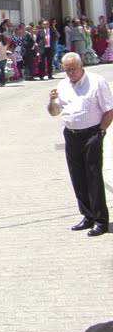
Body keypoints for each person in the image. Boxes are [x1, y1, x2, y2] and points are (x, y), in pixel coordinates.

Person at [47, 52, 113, 237]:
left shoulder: (96, 81)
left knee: (93, 176)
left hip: (92, 133)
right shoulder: (63, 84)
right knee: (77, 177)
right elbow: (54, 112)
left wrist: (101, 131)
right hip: (71, 135)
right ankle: (87, 215)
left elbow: (109, 109)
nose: (70, 73)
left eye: (73, 69)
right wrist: (51, 100)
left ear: (81, 65)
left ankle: (101, 220)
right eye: (67, 70)